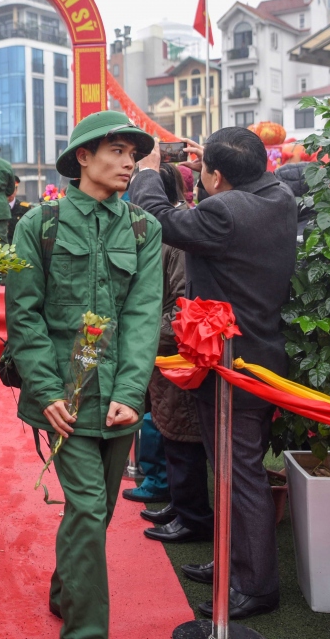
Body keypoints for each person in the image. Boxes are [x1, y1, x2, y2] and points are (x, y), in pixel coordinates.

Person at [6, 110, 163, 638]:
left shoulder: (145, 228)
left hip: (117, 396)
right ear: (83, 158)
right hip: (64, 398)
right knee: (90, 509)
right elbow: (23, 315)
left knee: (96, 510)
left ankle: (64, 587)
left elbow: (143, 316)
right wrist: (47, 390)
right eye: (116, 151)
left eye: (133, 154)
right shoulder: (39, 225)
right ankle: (86, 630)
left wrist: (131, 392)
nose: (129, 163)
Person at [129, 126, 297, 620]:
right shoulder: (279, 195)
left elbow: (157, 218)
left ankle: (254, 585)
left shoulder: (225, 211)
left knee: (238, 475)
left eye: (204, 169)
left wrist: (145, 170)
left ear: (219, 177)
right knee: (229, 471)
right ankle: (235, 564)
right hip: (253, 353)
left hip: (232, 363)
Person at [134, 163, 213, 544]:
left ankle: (194, 516)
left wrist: (150, 331)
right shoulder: (160, 232)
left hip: (175, 354)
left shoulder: (177, 237)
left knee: (183, 437)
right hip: (160, 351)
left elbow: (183, 304)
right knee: (169, 431)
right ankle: (180, 505)